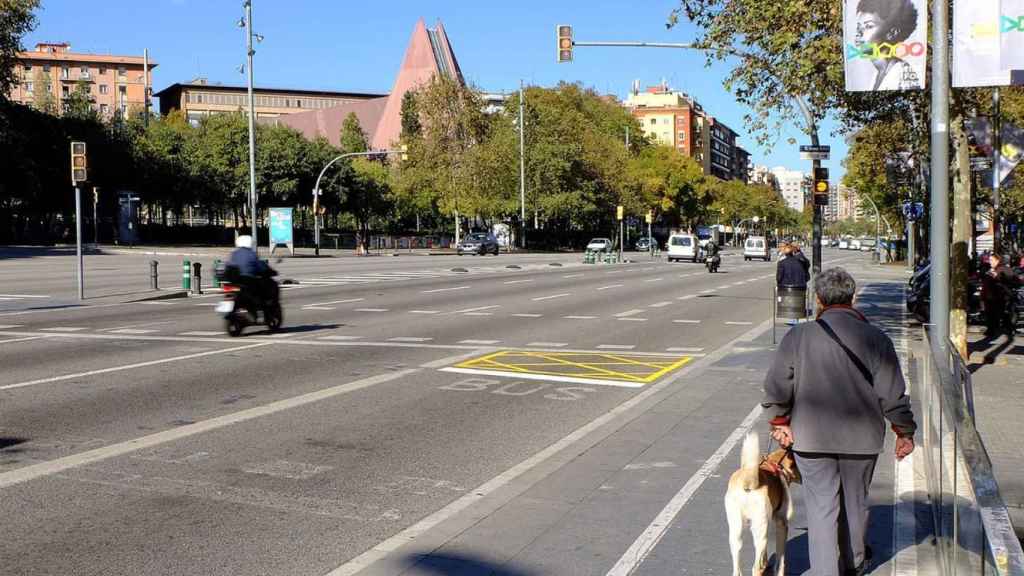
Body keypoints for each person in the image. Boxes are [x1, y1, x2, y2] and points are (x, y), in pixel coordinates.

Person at [764, 267, 916, 576]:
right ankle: (854, 564)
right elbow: (893, 393)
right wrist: (904, 431)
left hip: (811, 438)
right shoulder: (877, 338)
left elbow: (778, 385)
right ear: (854, 297)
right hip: (862, 440)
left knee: (821, 508)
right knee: (856, 504)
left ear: (818, 299)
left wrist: (779, 421)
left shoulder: (799, 336)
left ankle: (825, 571)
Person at [848, 0, 923, 91]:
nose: (859, 34)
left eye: (868, 26)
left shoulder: (903, 72)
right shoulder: (876, 75)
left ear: (892, 33)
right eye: (859, 27)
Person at [227, 235, 277, 307]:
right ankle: (263, 305)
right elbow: (260, 266)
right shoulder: (251, 254)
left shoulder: (234, 253)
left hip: (234, 281)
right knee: (261, 289)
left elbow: (228, 265)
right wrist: (269, 271)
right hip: (248, 280)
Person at [981, 253, 1021, 338]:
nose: (989, 262)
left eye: (991, 260)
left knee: (996, 314)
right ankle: (998, 329)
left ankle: (996, 330)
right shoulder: (994, 269)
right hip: (992, 296)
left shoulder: (1002, 270)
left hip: (997, 296)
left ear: (997, 260)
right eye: (989, 260)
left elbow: (1012, 280)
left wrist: (997, 277)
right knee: (995, 314)